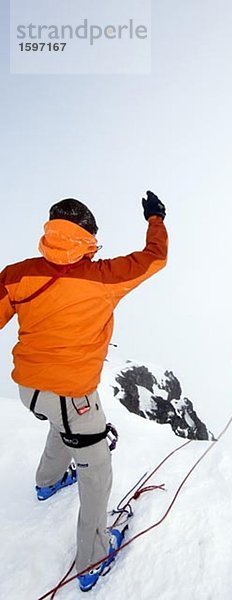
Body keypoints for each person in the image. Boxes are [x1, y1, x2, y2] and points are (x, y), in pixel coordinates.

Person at [0, 191, 168, 592]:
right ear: (88, 236)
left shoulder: (17, 274)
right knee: (97, 475)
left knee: (59, 424)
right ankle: (93, 558)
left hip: (30, 390)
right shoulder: (103, 276)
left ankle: (47, 482)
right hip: (74, 398)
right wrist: (155, 218)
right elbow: (155, 258)